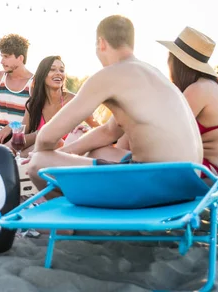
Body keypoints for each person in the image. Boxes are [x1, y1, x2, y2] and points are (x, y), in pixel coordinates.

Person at [26, 15, 203, 196]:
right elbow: (108, 132)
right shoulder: (153, 73)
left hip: (157, 183)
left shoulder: (110, 74)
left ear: (101, 43)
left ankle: (76, 224)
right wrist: (64, 154)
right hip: (189, 181)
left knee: (38, 164)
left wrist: (43, 156)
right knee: (99, 151)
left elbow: (46, 138)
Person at [158, 27, 218, 183]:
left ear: (176, 63)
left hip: (212, 175)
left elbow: (163, 132)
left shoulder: (198, 90)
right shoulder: (211, 86)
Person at [17, 55, 99, 157]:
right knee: (27, 152)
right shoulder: (33, 104)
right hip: (39, 156)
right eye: (52, 69)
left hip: (66, 158)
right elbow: (20, 142)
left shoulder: (73, 101)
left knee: (55, 142)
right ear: (42, 75)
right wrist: (40, 134)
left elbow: (98, 128)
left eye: (62, 70)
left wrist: (87, 131)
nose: (58, 73)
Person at [0, 34, 34, 143]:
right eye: (1, 56)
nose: (2, 61)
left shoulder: (34, 82)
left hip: (21, 140)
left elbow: (32, 120)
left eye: (6, 57)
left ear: (20, 58)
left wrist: (10, 127)